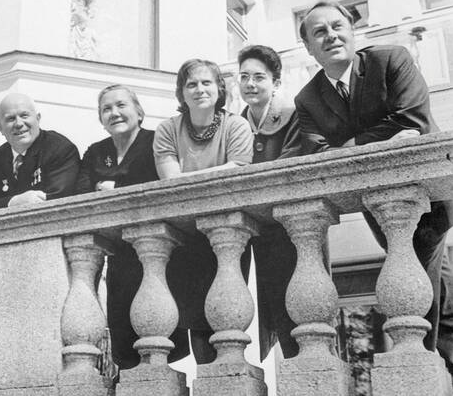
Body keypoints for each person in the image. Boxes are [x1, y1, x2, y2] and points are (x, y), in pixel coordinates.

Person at [295, 0, 453, 375]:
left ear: (352, 30)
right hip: (377, 207)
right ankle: (444, 359)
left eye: (338, 26)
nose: (331, 36)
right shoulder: (308, 98)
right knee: (438, 279)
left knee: (421, 258)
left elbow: (411, 116)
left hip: (428, 196)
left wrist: (349, 146)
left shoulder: (391, 59)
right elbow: (319, 153)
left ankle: (420, 363)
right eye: (319, 32)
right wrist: (383, 136)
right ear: (308, 47)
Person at [153, 58, 254, 363]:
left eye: (206, 82)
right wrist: (216, 172)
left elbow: (237, 172)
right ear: (181, 93)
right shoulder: (168, 129)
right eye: (191, 84)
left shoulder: (236, 124)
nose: (199, 89)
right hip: (187, 238)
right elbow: (170, 182)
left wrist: (191, 177)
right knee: (196, 322)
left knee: (227, 318)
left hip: (228, 233)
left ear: (219, 88)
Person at [76, 84, 158, 370]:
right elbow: (83, 191)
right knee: (121, 328)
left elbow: (157, 183)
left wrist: (115, 187)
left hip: (152, 246)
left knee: (153, 329)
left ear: (139, 111)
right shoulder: (97, 151)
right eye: (106, 109)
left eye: (121, 105)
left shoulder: (156, 141)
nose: (114, 113)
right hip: (117, 251)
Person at [238, 45, 301, 360]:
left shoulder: (293, 115)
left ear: (275, 82)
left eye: (258, 77)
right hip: (255, 231)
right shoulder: (236, 124)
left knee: (297, 310)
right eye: (244, 76)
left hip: (289, 228)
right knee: (270, 308)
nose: (250, 83)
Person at [0, 93, 80, 210]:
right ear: (0, 128)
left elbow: (59, 197)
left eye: (24, 115)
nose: (18, 124)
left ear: (38, 118)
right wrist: (13, 202)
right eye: (10, 119)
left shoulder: (60, 149)